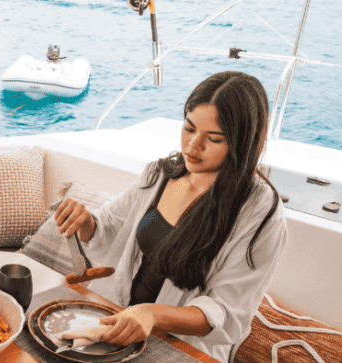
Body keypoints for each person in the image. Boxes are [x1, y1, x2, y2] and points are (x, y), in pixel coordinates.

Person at [54, 71, 287, 362]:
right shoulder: (159, 174)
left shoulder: (260, 212)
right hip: (115, 326)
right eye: (189, 129)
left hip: (179, 348)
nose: (193, 146)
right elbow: (107, 231)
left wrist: (152, 315)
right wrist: (86, 221)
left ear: (242, 143)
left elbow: (227, 314)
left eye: (213, 138)